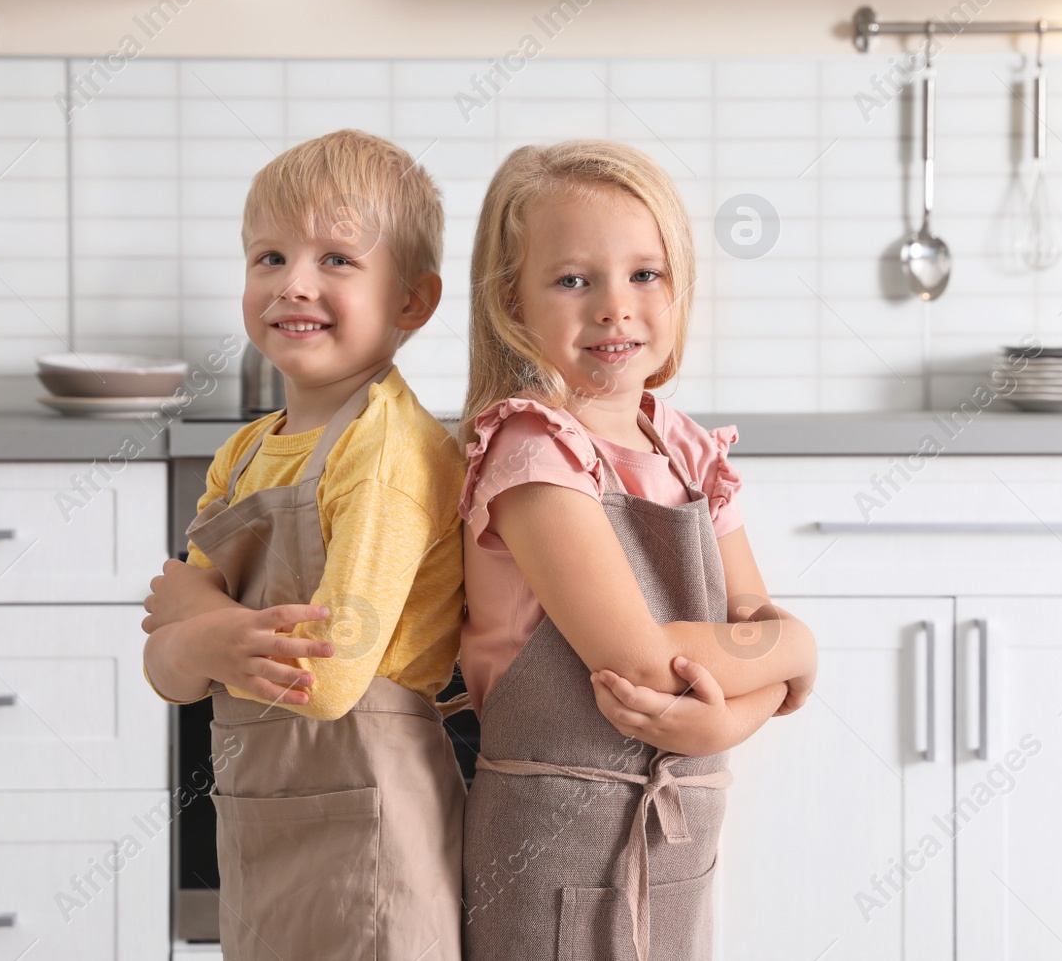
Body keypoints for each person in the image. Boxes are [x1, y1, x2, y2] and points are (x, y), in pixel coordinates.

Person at [458, 140, 819, 961]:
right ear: (513, 304)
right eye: (573, 279)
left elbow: (753, 613)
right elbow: (649, 662)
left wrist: (725, 716)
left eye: (644, 274)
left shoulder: (684, 446)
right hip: (552, 846)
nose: (615, 308)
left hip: (677, 837)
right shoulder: (533, 452)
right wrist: (792, 654)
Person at [141, 129, 468, 961]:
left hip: (371, 833)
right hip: (262, 826)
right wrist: (194, 642)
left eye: (338, 260)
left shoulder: (391, 452)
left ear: (412, 302)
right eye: (269, 256)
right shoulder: (244, 452)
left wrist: (205, 629)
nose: (294, 283)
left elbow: (324, 677)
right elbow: (165, 674)